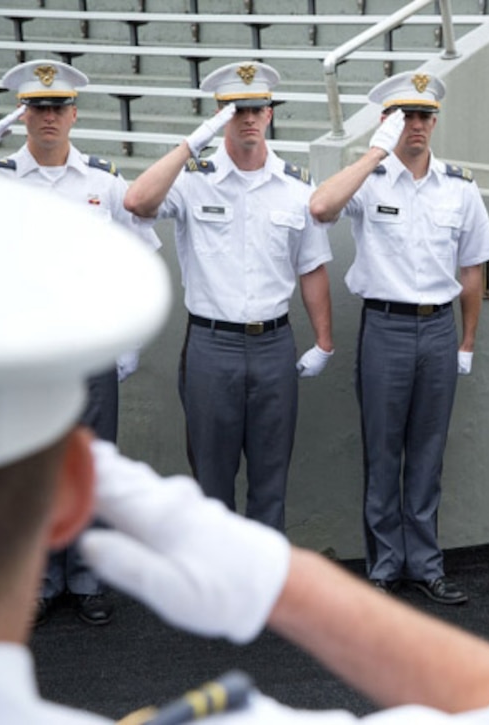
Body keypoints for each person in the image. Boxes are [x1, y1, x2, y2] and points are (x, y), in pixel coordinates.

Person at [0, 175, 489, 724]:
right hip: (230, 339)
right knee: (231, 471)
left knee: (355, 465)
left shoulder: (413, 187)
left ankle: (414, 559)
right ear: (75, 490)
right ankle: (372, 567)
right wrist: (290, 589)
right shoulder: (210, 179)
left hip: (288, 339)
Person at [0, 59, 162, 628]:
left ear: (74, 114)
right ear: (21, 114)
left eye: (57, 107)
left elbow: (139, 254)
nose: (48, 117)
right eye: (37, 107)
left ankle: (87, 577)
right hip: (27, 353)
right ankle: (40, 579)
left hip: (90, 348)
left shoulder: (102, 182)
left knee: (90, 465)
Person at [308, 72, 489, 604]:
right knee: (383, 448)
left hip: (438, 329)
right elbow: (321, 209)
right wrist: (374, 153)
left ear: (434, 121)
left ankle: (426, 563)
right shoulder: (369, 180)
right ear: (388, 121)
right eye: (403, 116)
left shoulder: (459, 188)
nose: (415, 125)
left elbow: (472, 271)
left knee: (428, 452)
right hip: (385, 327)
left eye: (422, 116)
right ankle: (385, 567)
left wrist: (467, 343)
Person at [124, 61, 334, 533]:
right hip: (211, 347)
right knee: (213, 481)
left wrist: (324, 341)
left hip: (273, 345)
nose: (249, 118)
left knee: (270, 478)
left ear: (270, 115)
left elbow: (312, 267)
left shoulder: (296, 188)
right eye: (236, 110)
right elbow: (137, 201)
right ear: (219, 115)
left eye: (258, 109)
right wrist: (192, 143)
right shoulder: (191, 178)